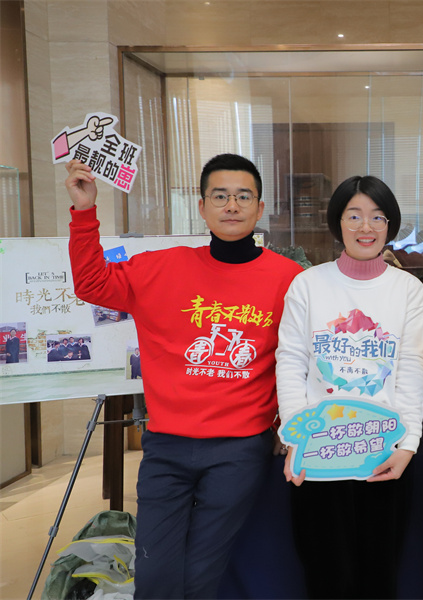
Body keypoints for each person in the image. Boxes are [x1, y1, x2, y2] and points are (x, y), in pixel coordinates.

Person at [65, 152, 303, 599]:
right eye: (220, 196)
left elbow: (299, 358)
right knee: (155, 573)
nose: (231, 206)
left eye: (243, 196)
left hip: (239, 449)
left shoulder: (289, 279)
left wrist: (285, 423)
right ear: (201, 207)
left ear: (258, 208)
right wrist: (84, 211)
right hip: (166, 445)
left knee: (200, 572)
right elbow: (92, 284)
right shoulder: (161, 266)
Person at [275, 175, 423, 599]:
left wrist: (408, 446)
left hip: (384, 452)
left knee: (379, 575)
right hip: (319, 452)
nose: (366, 227)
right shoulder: (309, 284)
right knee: (326, 576)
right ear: (338, 223)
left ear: (389, 225)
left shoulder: (407, 289)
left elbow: (411, 368)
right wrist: (295, 438)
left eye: (378, 217)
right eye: (354, 216)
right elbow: (291, 361)